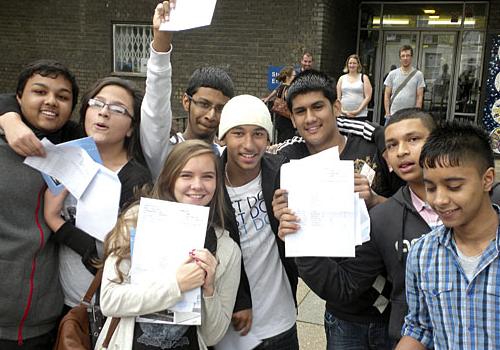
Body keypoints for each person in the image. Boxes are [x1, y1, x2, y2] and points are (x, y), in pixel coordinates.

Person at [278, 108, 439, 346]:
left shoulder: (482, 202)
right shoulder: (384, 218)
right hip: (403, 334)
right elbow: (345, 285)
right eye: (392, 145)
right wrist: (300, 238)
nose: (402, 151)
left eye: (413, 139)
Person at [273, 69, 398, 349]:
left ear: (336, 107)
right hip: (343, 313)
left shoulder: (373, 145)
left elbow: (414, 210)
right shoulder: (288, 161)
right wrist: (280, 214)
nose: (311, 118)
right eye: (301, 111)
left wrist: (376, 200)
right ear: (291, 118)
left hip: (394, 308)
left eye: (318, 106)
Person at [95, 140, 241, 350]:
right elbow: (109, 300)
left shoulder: (227, 250)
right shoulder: (137, 221)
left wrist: (209, 290)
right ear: (170, 178)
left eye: (207, 176)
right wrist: (176, 285)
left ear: (217, 183)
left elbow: (212, 337)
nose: (197, 185)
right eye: (186, 175)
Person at [42, 77, 151, 312]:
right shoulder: (65, 157)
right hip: (58, 304)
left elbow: (112, 258)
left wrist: (54, 221)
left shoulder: (134, 180)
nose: (103, 113)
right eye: (97, 103)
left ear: (132, 127)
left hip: (101, 310)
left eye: (118, 109)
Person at [397, 122, 500, 349]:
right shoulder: (423, 254)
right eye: (431, 188)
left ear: (487, 179)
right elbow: (420, 327)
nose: (439, 200)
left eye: (453, 186)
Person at [0, 59, 79, 349]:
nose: (51, 101)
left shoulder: (72, 150)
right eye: (40, 92)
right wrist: (8, 118)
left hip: (44, 322)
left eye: (62, 96)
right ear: (19, 97)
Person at [219, 94, 299, 349]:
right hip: (229, 327)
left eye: (259, 134)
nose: (249, 144)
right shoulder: (208, 184)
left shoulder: (282, 174)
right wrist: (239, 300)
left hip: (281, 321)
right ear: (223, 137)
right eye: (238, 133)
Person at [384, 45, 425, 124]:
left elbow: (419, 96)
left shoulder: (418, 75)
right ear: (400, 58)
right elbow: (386, 94)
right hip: (393, 115)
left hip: (410, 117)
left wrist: (416, 114)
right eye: (403, 56)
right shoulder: (392, 74)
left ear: (411, 57)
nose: (405, 58)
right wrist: (387, 112)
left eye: (408, 55)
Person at [263, 66, 297, 143]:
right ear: (288, 77)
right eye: (294, 76)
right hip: (287, 121)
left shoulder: (281, 86)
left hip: (279, 119)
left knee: (280, 141)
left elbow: (275, 91)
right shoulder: (288, 89)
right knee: (287, 142)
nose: (295, 78)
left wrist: (267, 98)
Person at [337, 54, 372, 121]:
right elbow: (338, 98)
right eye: (350, 63)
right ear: (347, 65)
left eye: (354, 63)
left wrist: (357, 111)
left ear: (358, 65)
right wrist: (342, 111)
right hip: (343, 115)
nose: (352, 65)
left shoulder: (364, 78)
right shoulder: (342, 78)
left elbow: (368, 97)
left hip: (360, 115)